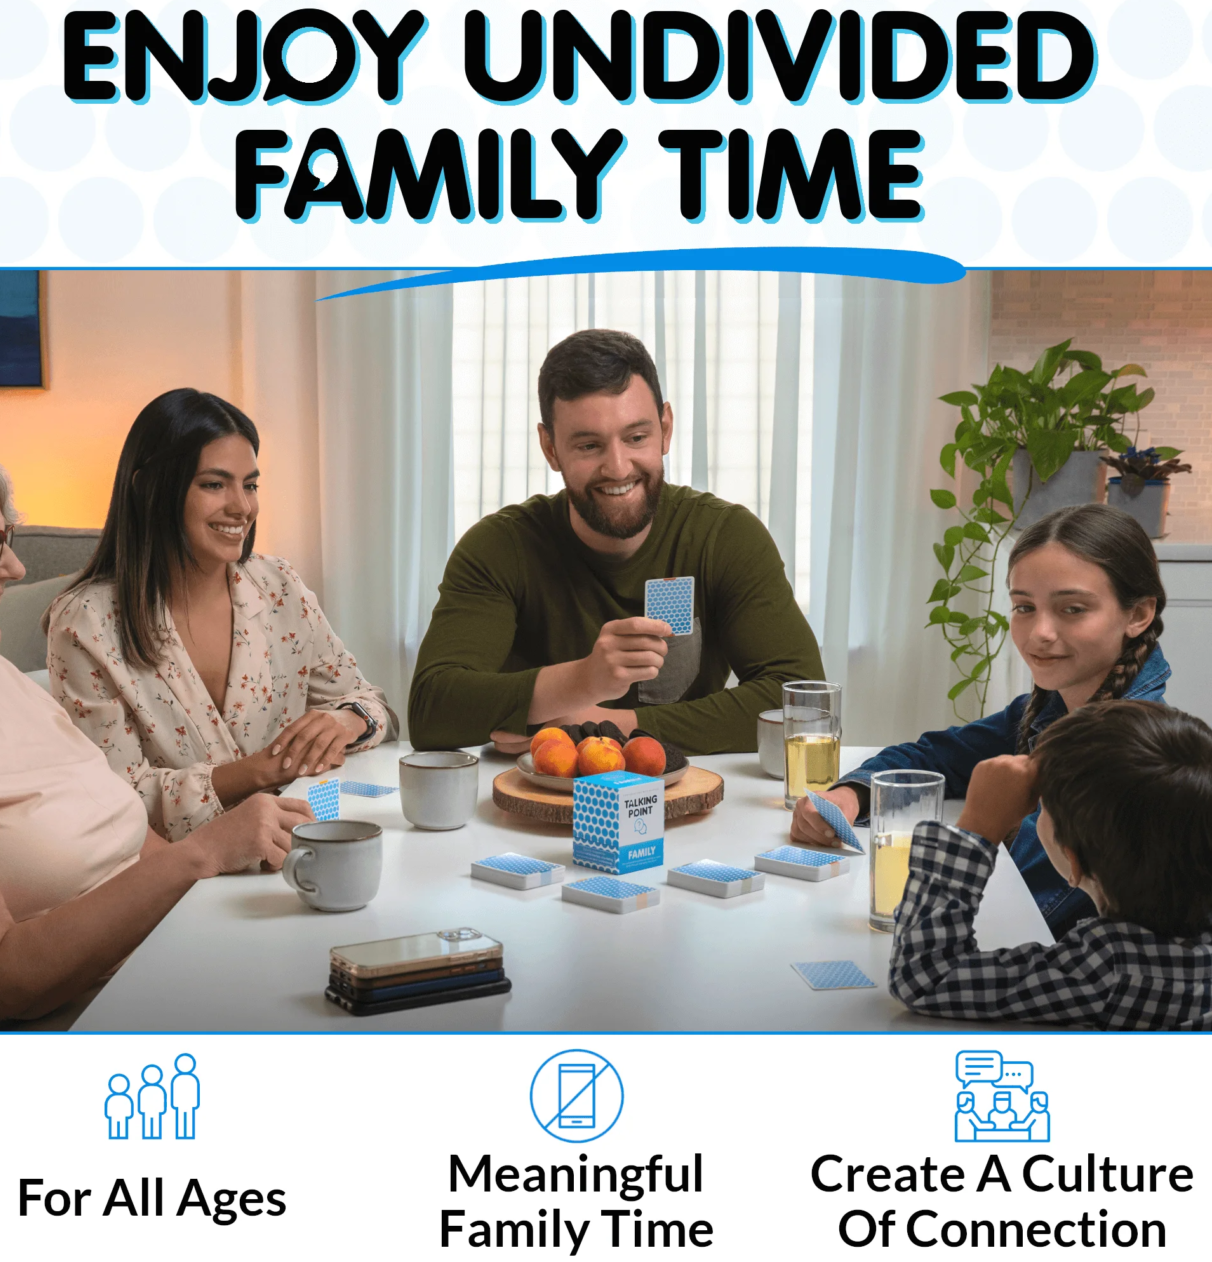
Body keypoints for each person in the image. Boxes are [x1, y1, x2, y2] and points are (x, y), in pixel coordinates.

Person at [0, 438, 312, 1029]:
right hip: (83, 1016)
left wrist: (222, 904)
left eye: (8, 539)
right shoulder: (87, 620)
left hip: (160, 954)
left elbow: (126, 829)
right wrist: (205, 853)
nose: (13, 568)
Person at [408, 329, 823, 755]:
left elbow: (803, 704)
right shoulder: (499, 547)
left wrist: (610, 725)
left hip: (687, 797)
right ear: (550, 448)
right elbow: (433, 710)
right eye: (589, 445)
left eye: (636, 437)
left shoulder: (726, 536)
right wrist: (584, 679)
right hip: (536, 803)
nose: (618, 467)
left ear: (666, 428)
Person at [792, 503, 1168, 938]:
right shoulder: (1050, 708)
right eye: (1024, 607)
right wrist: (850, 795)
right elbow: (934, 754)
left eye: (1072, 609)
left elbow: (1015, 921)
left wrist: (975, 831)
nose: (1039, 633)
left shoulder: (1126, 767)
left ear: (1138, 614)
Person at [48, 389, 396, 842]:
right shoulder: (85, 624)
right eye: (214, 484)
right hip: (177, 875)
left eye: (250, 484)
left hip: (304, 844)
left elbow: (372, 703)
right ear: (148, 489)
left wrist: (343, 722)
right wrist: (257, 771)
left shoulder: (279, 585)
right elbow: (114, 798)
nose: (242, 506)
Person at [889, 701, 1212, 1030]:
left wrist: (976, 828)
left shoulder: (1108, 972)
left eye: (1041, 806)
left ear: (1073, 860)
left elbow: (925, 977)